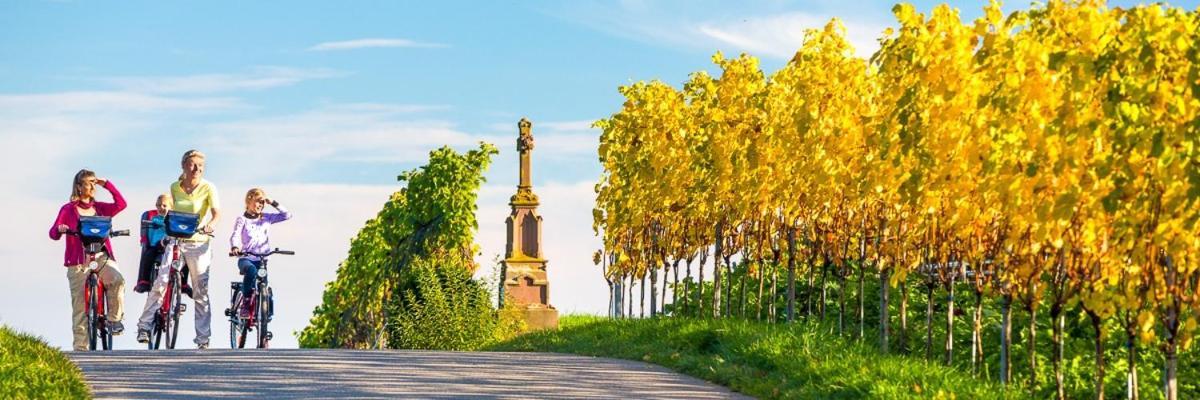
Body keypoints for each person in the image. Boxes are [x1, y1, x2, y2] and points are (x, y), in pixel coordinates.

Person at [136, 150, 220, 348]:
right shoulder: (175, 187)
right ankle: (144, 326)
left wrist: (211, 225)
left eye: (200, 166)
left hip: (198, 241)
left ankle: (202, 339)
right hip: (176, 239)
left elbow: (216, 213)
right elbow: (172, 213)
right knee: (162, 280)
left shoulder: (209, 187)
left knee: (200, 290)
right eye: (192, 165)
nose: (197, 169)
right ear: (184, 166)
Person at [49, 169, 128, 350]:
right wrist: (60, 229)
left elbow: (121, 204)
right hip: (78, 260)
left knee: (117, 279)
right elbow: (53, 233)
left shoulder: (100, 207)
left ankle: (114, 320)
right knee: (80, 307)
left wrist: (106, 184)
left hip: (101, 255)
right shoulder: (68, 209)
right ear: (78, 186)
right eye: (88, 183)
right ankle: (81, 349)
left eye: (94, 183)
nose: (92, 186)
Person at [228, 188, 292, 317]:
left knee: (264, 287)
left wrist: (272, 202)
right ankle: (245, 303)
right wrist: (235, 247)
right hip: (246, 258)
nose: (260, 205)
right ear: (249, 200)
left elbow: (287, 215)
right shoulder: (242, 219)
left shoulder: (267, 218)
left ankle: (264, 321)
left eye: (262, 203)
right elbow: (235, 235)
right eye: (258, 202)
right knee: (251, 271)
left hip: (262, 260)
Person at [133, 194, 170, 294]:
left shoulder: (172, 220)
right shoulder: (155, 218)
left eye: (164, 206)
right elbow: (153, 223)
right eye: (158, 205)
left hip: (168, 246)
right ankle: (144, 281)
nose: (160, 208)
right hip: (156, 245)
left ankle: (180, 283)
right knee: (147, 256)